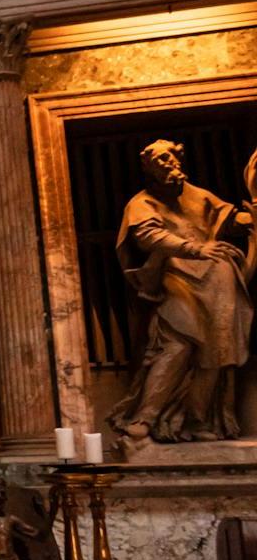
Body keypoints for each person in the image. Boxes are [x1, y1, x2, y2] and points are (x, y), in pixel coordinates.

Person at [108, 140, 256, 444]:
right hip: (176, 277)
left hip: (217, 276)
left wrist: (249, 217)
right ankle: (144, 417)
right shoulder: (142, 203)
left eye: (170, 157)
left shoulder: (198, 195)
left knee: (217, 350)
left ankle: (197, 420)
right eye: (159, 160)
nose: (167, 163)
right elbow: (149, 237)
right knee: (176, 346)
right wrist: (195, 249)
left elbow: (228, 219)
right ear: (148, 168)